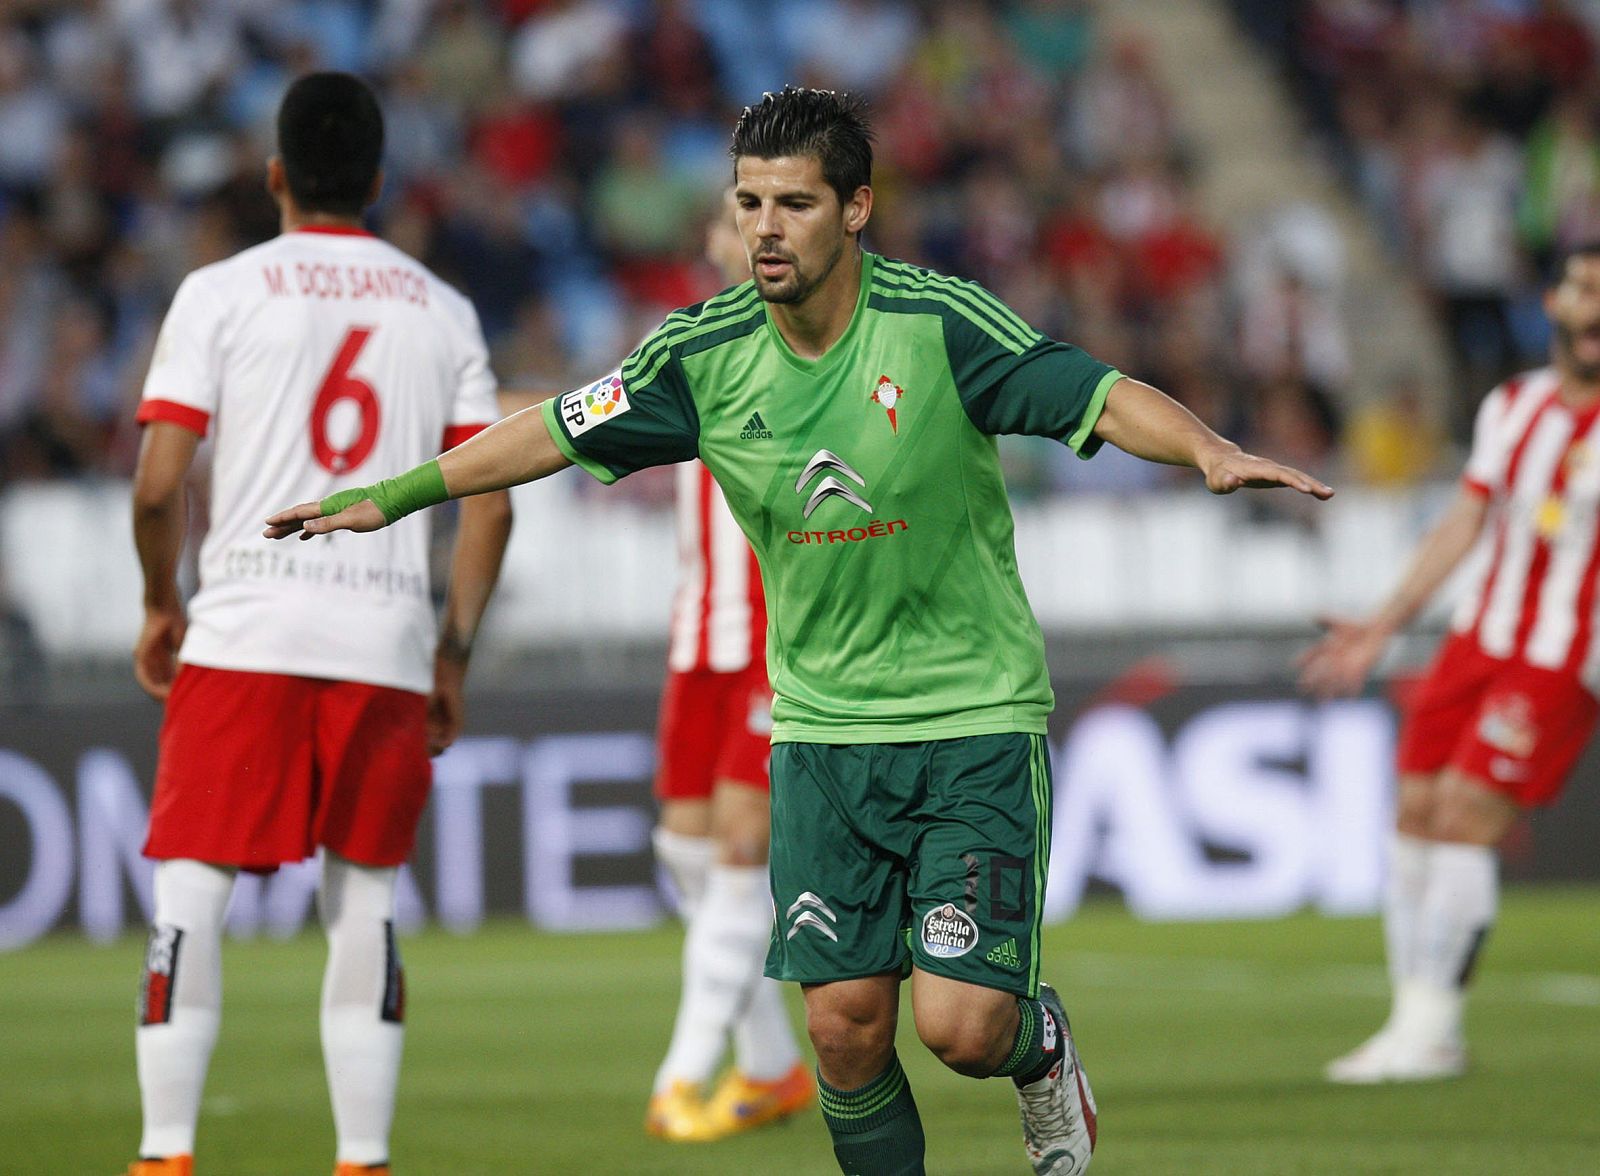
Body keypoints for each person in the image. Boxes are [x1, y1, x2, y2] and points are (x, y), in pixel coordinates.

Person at [267, 87, 1331, 1176]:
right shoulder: (701, 354)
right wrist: (393, 497)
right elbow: (551, 428)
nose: (763, 229)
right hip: (821, 738)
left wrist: (1204, 447)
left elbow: (1093, 393)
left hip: (968, 722)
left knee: (960, 1029)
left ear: (857, 208)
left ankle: (1042, 1053)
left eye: (793, 204)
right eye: (747, 203)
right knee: (841, 1030)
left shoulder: (937, 324)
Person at [128, 72, 512, 1176]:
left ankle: (165, 1153)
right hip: (384, 638)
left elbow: (159, 484)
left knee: (191, 894)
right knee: (364, 904)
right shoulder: (442, 309)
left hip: (242, 623)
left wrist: (161, 600)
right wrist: (452, 649)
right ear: (381, 181)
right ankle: (362, 1157)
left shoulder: (218, 291)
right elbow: (488, 496)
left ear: (275, 176)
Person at [1300, 241, 1600, 1085]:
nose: (1596, 310)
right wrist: (1384, 624)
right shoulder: (1514, 404)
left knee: (1467, 811)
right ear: (1554, 305)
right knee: (1418, 809)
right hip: (1477, 637)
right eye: (1584, 290)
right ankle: (1413, 1022)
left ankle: (1434, 1030)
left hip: (1562, 654)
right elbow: (1466, 522)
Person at [645, 192, 813, 1143]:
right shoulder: (682, 343)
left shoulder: (806, 335)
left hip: (769, 634)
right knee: (687, 855)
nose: (745, 230)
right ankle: (772, 1068)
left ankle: (681, 1076)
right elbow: (573, 415)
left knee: (742, 857)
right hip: (696, 635)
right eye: (729, 217)